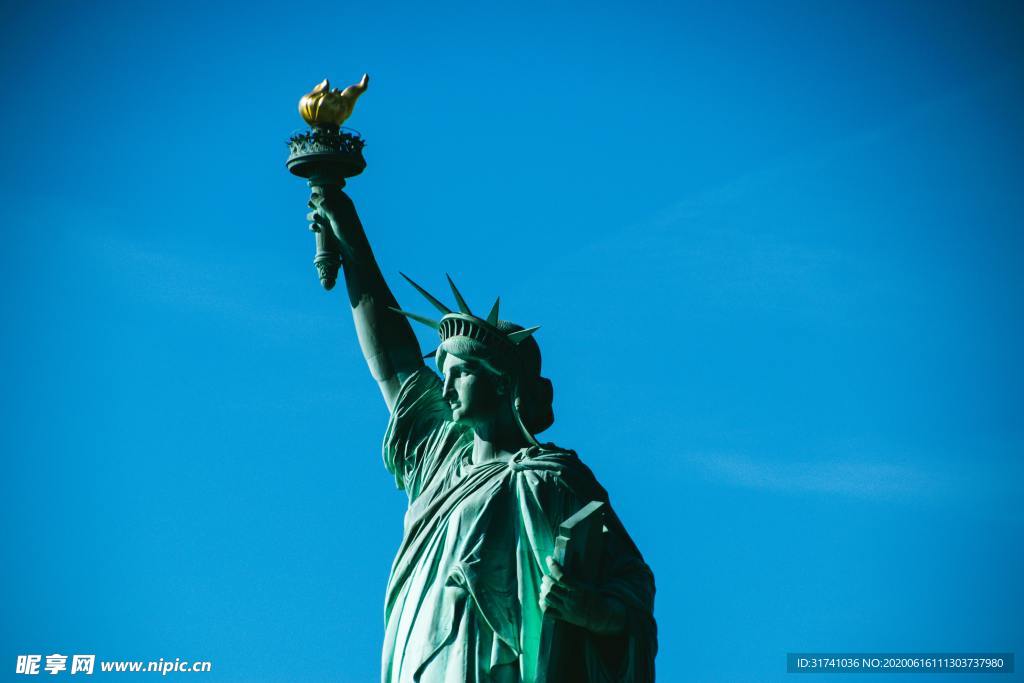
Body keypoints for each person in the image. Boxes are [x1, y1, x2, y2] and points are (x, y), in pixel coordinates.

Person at [308, 185, 657, 682]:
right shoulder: (441, 458)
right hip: (423, 658)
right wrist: (350, 239)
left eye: (460, 373)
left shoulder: (552, 480)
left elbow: (632, 585)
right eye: (442, 372)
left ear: (501, 382)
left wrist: (591, 610)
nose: (444, 387)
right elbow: (394, 363)